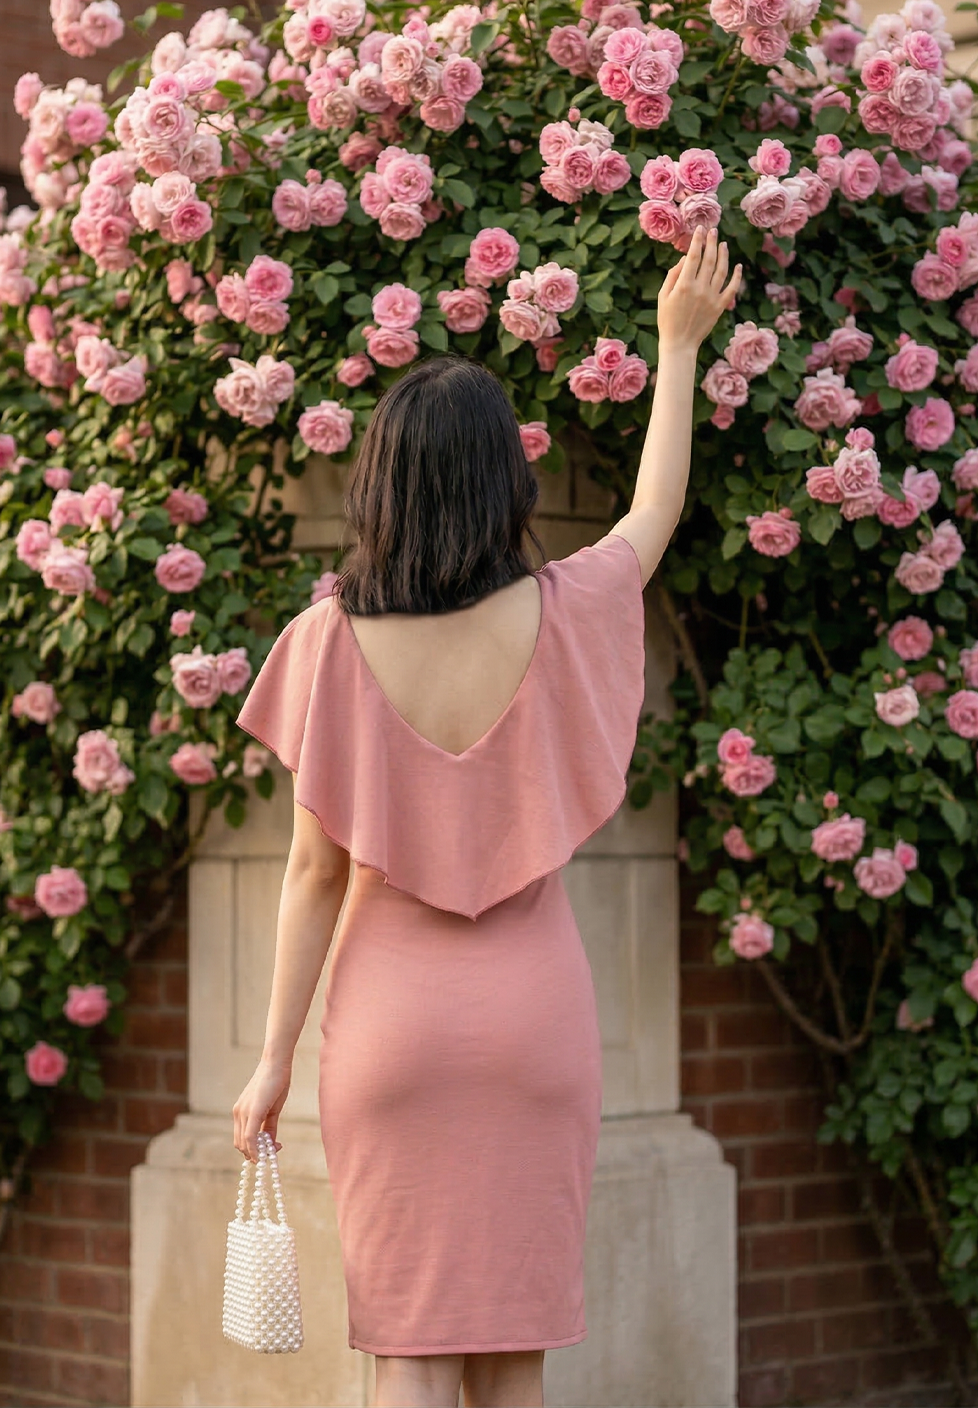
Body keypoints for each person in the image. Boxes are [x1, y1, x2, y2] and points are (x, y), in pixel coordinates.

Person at [231, 227, 741, 1408]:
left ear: (383, 485)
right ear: (502, 483)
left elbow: (312, 877)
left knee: (404, 1351)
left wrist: (266, 1062)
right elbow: (654, 508)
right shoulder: (567, 614)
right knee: (513, 1360)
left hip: (391, 1034)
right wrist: (677, 346)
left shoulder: (324, 642)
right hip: (533, 1024)